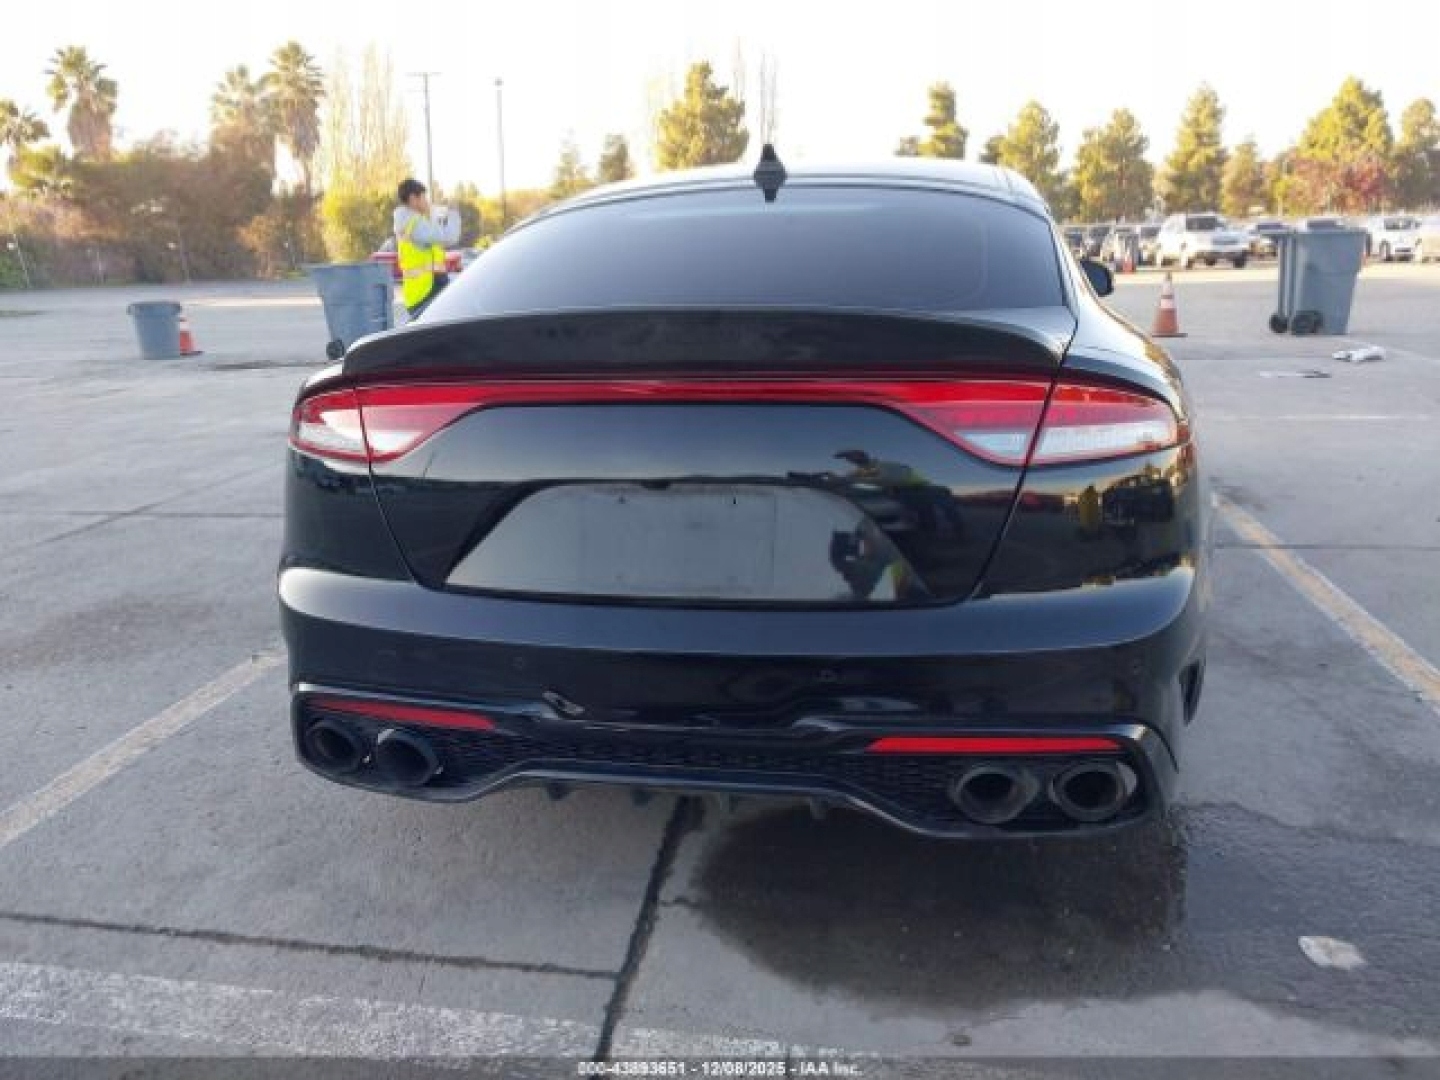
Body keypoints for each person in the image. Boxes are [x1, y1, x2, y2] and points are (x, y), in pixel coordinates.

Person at [393, 178, 461, 318]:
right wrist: (453, 213)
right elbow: (450, 237)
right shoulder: (415, 224)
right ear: (413, 199)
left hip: (423, 291)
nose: (427, 202)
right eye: (424, 197)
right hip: (426, 292)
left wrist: (432, 216)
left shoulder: (410, 222)